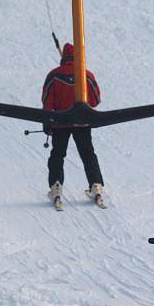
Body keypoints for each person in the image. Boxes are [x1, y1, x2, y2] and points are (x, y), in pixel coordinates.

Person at [42, 43, 104, 205]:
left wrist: (47, 121)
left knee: (57, 155)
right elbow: (96, 100)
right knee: (88, 154)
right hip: (82, 122)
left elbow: (47, 100)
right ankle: (95, 185)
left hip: (60, 122)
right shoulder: (86, 75)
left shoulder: (54, 75)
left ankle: (56, 186)